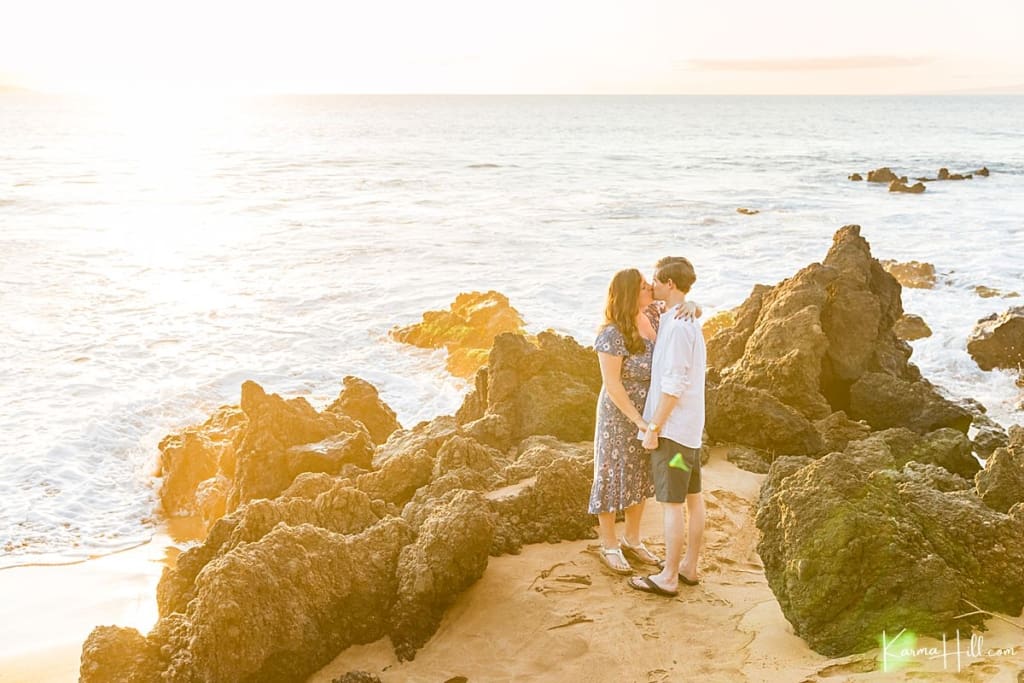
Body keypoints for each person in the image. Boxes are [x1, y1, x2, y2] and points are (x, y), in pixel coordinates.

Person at [588, 268, 697, 575]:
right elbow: (612, 385)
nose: (650, 288)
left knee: (638, 475)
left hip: (648, 414)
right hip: (619, 415)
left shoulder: (653, 313)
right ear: (628, 294)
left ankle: (632, 540)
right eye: (644, 287)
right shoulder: (611, 334)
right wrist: (638, 421)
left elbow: (684, 305)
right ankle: (608, 544)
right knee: (611, 474)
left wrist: (693, 306)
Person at [628, 256, 707, 597]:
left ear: (670, 284)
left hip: (673, 433)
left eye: (657, 281)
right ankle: (688, 566)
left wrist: (653, 428)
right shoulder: (685, 319)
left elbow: (673, 385)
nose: (653, 286)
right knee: (693, 498)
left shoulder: (677, 326)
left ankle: (669, 577)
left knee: (673, 503)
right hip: (689, 431)